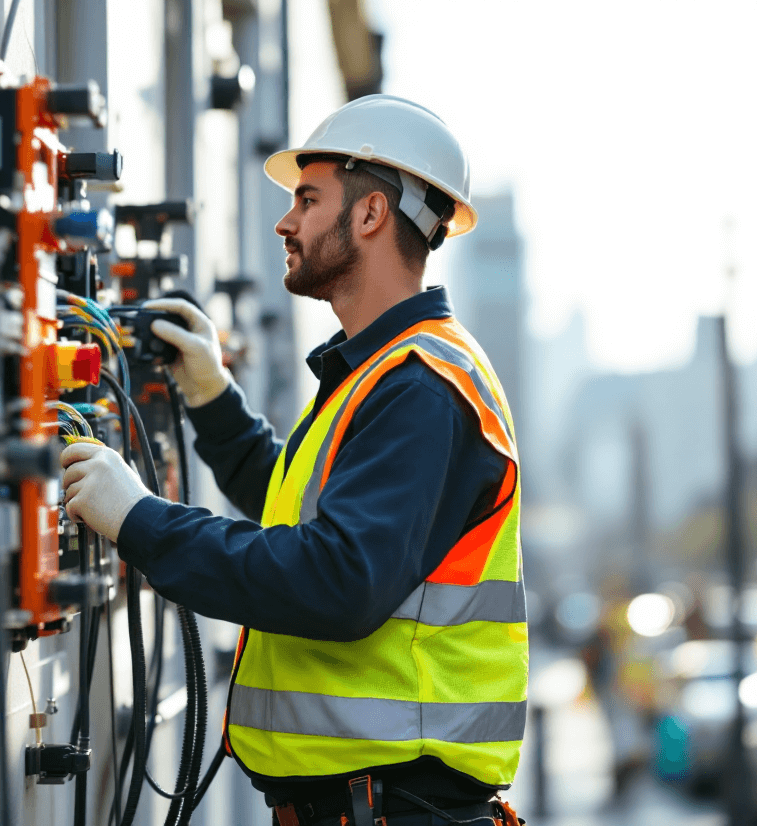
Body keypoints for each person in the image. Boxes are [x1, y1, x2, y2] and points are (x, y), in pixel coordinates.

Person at [61, 95, 527, 826]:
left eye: (308, 200)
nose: (285, 221)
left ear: (371, 214)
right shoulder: (382, 373)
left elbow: (335, 578)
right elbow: (293, 504)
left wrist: (140, 520)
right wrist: (212, 397)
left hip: (393, 810)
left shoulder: (424, 387)